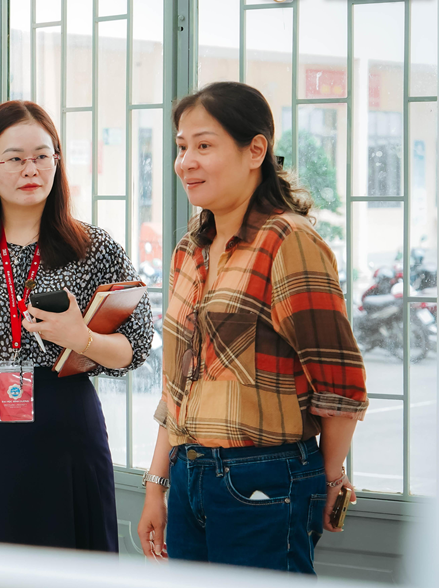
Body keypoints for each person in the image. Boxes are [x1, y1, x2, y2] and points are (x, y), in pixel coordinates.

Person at [137, 82, 368, 573]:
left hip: (265, 477)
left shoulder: (288, 242)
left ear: (255, 151)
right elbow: (177, 386)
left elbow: (340, 382)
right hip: (188, 473)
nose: (186, 162)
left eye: (204, 145)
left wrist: (329, 480)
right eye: (182, 147)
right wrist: (157, 485)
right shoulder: (189, 249)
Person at [0, 100, 153, 551]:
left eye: (43, 156)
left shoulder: (93, 248)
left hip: (70, 435)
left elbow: (136, 347)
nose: (31, 169)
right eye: (14, 158)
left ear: (57, 162)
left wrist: (81, 338)